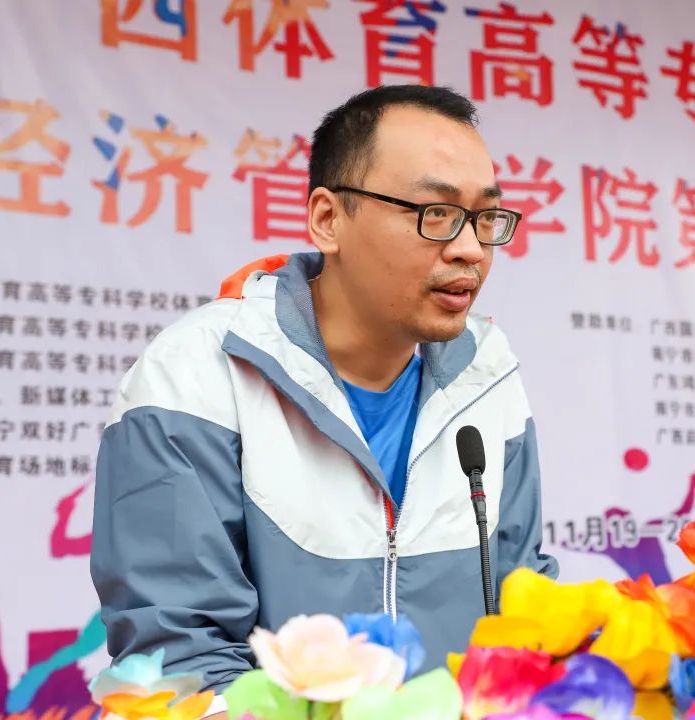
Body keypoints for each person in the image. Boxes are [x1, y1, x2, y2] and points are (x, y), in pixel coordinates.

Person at [90, 84, 559, 706]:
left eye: (485, 218)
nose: (470, 248)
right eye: (436, 213)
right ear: (328, 219)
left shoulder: (487, 372)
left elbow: (524, 608)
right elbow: (181, 658)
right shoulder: (197, 374)